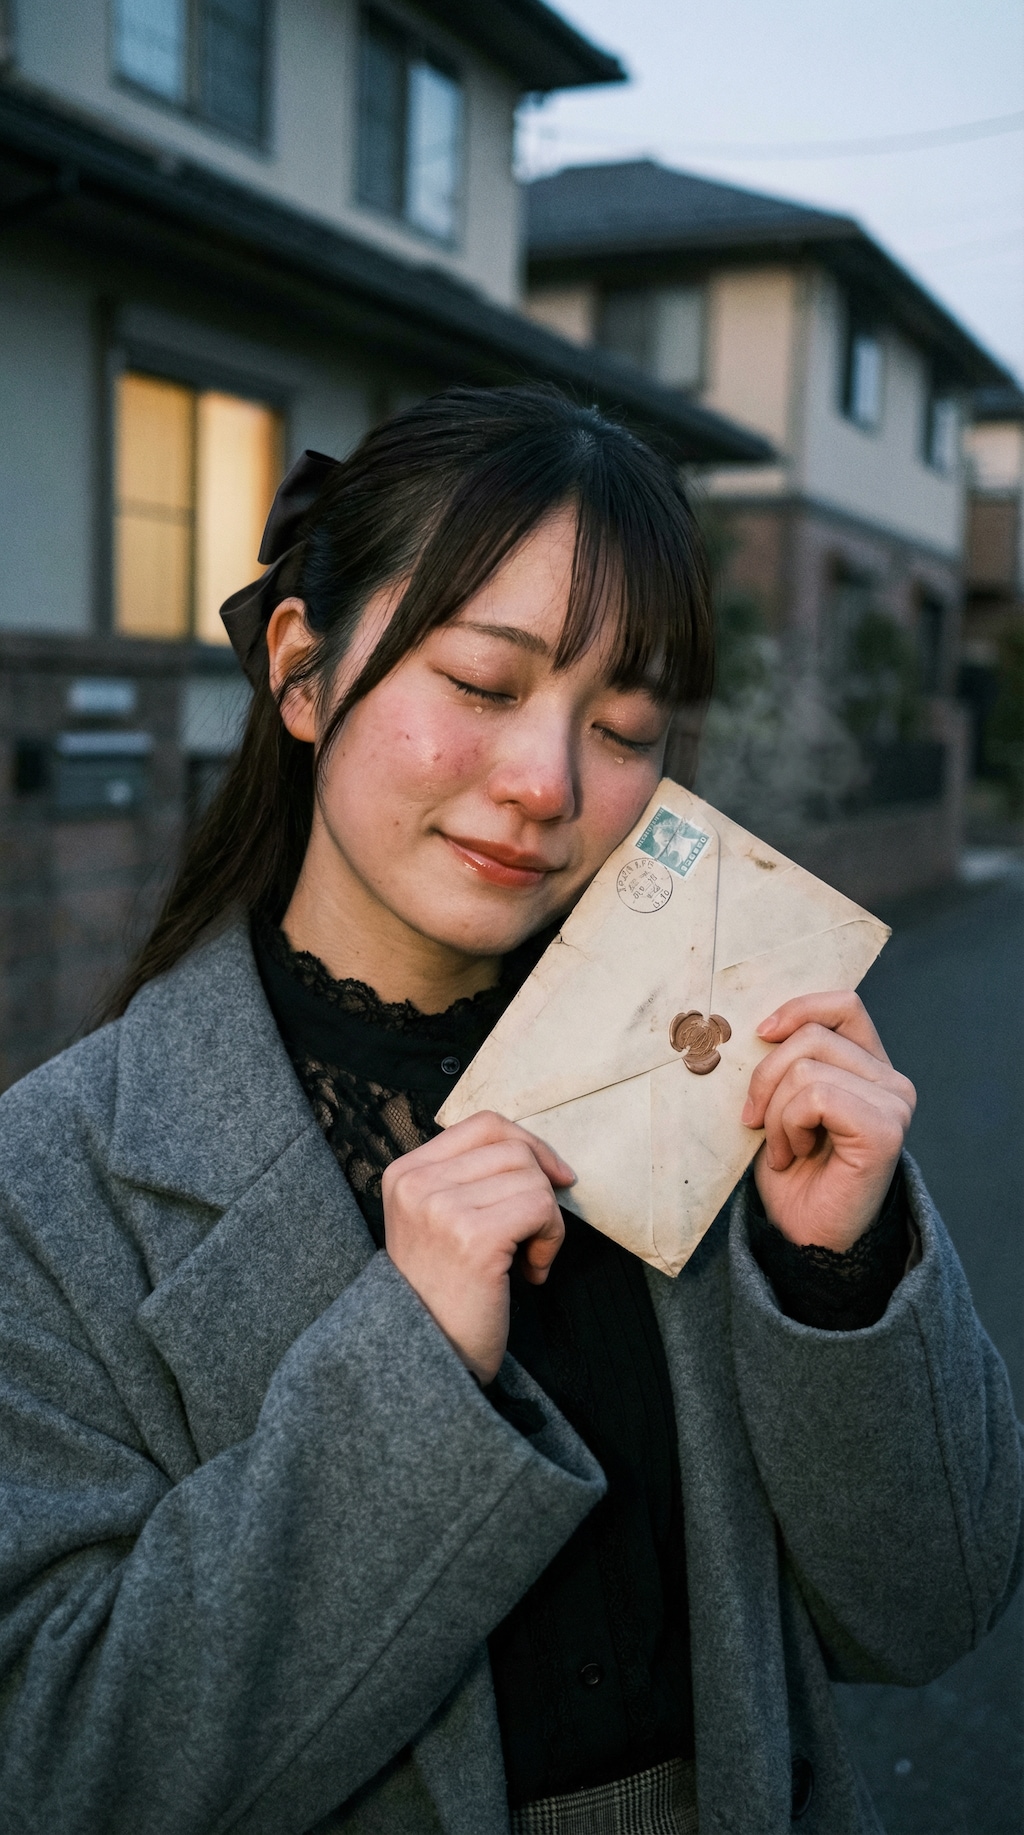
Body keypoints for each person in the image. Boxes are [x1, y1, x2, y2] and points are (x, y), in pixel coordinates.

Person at [0, 388, 1019, 1835]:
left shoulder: (726, 1080)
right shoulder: (54, 1180)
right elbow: (58, 1764)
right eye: (483, 683)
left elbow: (934, 1610)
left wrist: (843, 1279)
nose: (546, 782)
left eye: (624, 725)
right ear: (301, 671)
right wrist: (407, 1368)